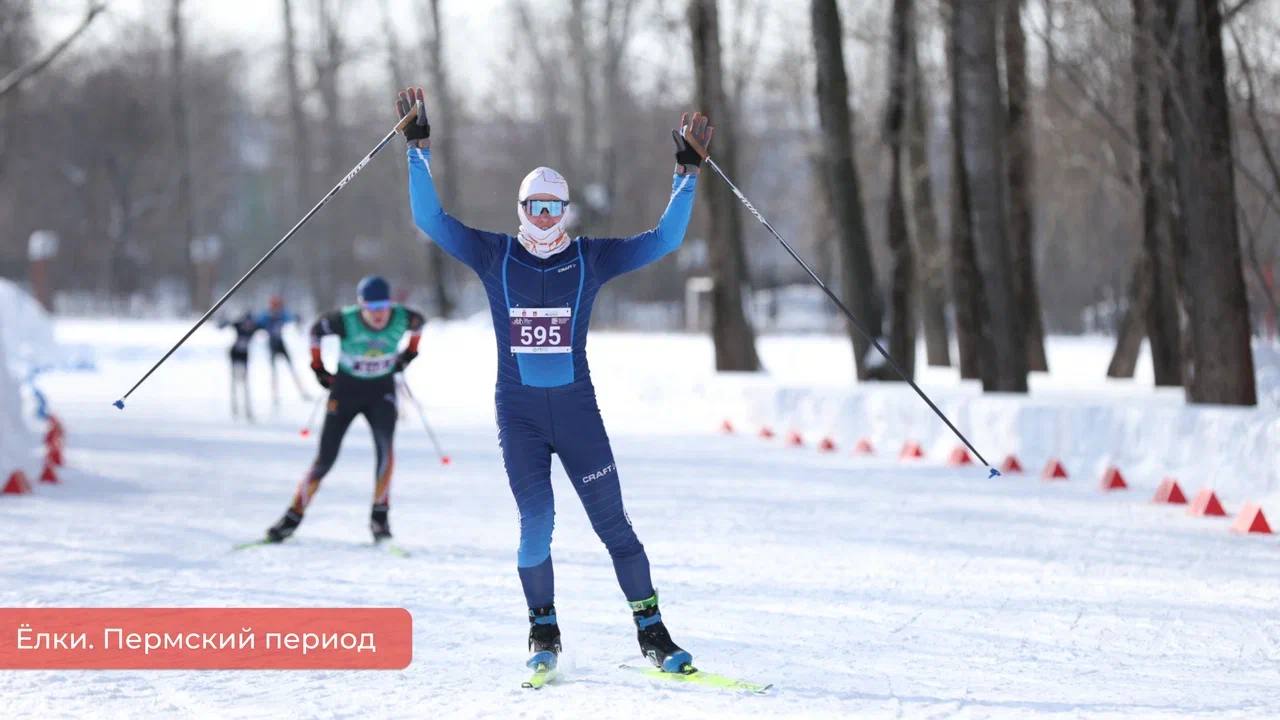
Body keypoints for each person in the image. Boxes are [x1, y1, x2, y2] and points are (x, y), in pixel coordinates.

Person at [396, 85, 712, 674]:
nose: (544, 216)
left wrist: (686, 172)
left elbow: (664, 240)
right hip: (518, 414)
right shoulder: (495, 256)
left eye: (553, 207)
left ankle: (654, 634)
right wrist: (418, 149)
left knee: (614, 524)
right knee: (536, 519)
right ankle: (544, 632)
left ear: (565, 211)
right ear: (522, 209)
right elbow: (428, 218)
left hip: (576, 414)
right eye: (535, 206)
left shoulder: (590, 258)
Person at [265, 275, 425, 544]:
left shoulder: (404, 318)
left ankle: (380, 519)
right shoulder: (344, 319)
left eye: (383, 307)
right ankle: (292, 517)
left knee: (386, 452)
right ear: (362, 306)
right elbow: (316, 331)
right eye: (371, 309)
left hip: (381, 392)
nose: (378, 314)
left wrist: (409, 354)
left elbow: (420, 326)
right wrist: (317, 367)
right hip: (346, 391)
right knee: (325, 459)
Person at [255, 295, 312, 407]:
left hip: (280, 342)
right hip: (272, 343)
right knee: (273, 370)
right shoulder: (267, 315)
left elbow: (290, 317)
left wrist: (297, 318)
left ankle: (302, 391)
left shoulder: (282, 314)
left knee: (291, 367)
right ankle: (274, 395)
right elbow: (258, 323)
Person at [217, 311, 258, 422]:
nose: (248, 325)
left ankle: (247, 409)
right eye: (246, 322)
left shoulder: (254, 328)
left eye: (250, 323)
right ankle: (234, 407)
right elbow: (223, 325)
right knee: (234, 381)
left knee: (245, 382)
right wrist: (222, 320)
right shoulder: (238, 325)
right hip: (234, 354)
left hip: (244, 355)